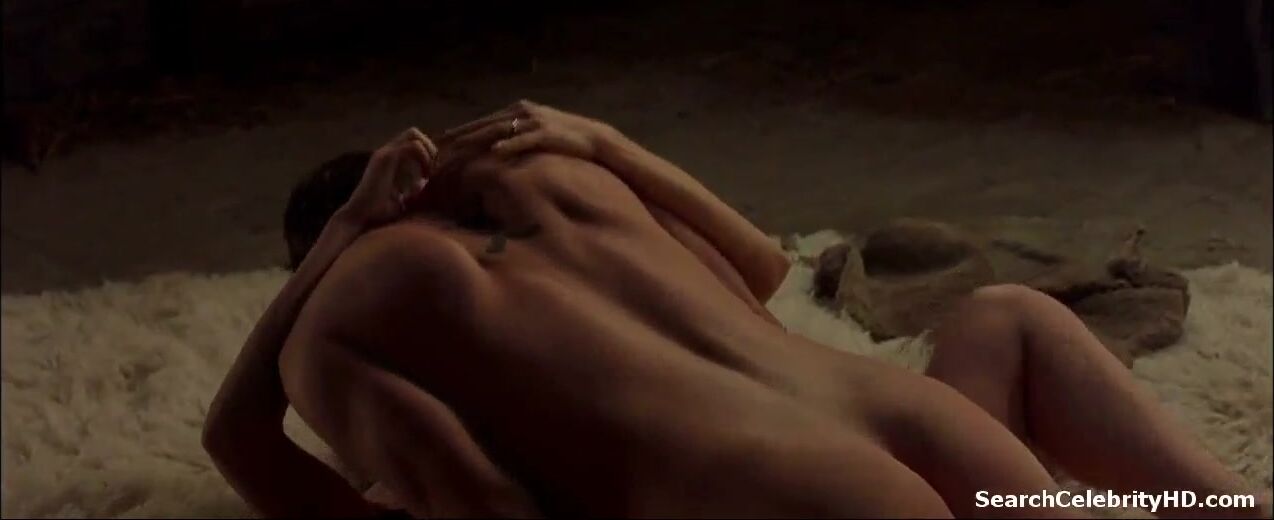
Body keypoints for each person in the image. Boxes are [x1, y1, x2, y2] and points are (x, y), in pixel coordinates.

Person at [203, 100, 1269, 519]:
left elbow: (237, 440)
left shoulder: (343, 314)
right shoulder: (555, 169)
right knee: (1003, 318)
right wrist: (607, 140)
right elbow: (761, 266)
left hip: (785, 498)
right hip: (920, 426)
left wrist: (333, 254)